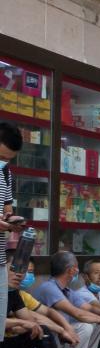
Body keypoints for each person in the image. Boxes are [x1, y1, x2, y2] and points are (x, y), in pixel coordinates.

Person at [30, 252, 100, 348]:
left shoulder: (67, 290)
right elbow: (77, 314)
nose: (77, 271)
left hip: (60, 334)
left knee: (97, 323)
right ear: (70, 270)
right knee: (86, 326)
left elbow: (88, 308)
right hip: (46, 335)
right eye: (76, 267)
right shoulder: (49, 288)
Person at [0, 121, 25, 332]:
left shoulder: (6, 173)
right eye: (1, 157)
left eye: (8, 159)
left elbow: (7, 210)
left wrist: (11, 222)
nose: (4, 162)